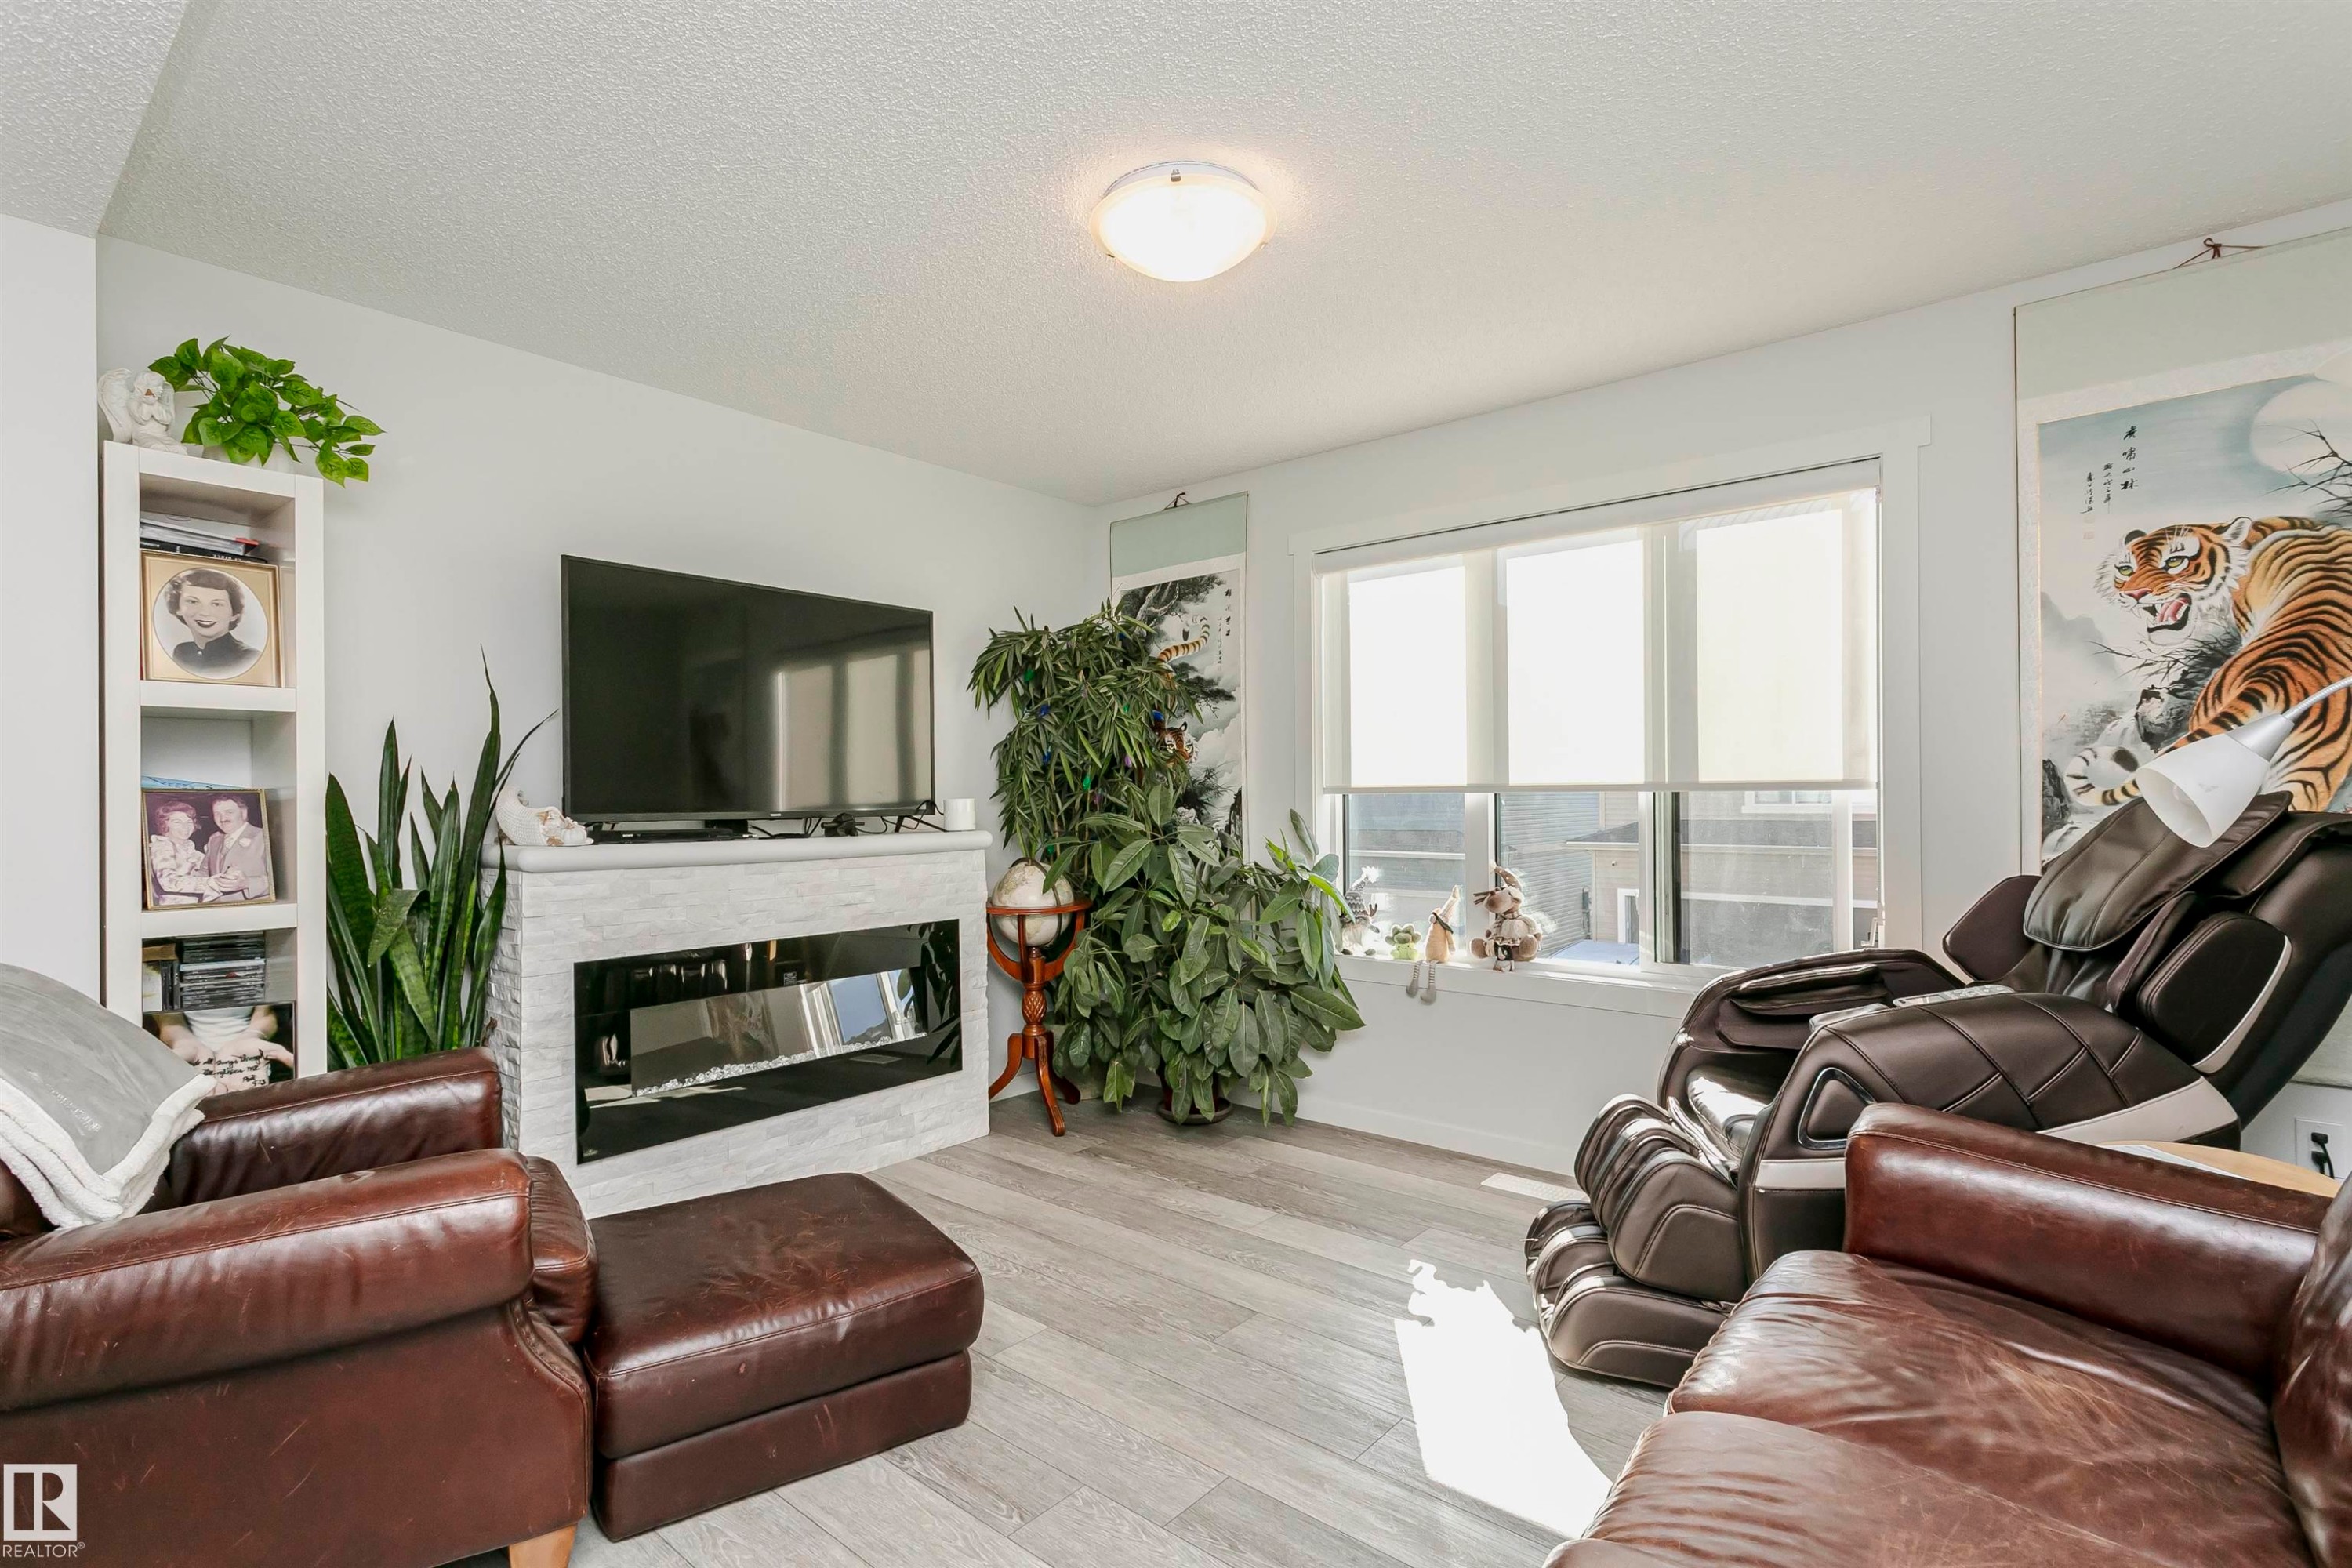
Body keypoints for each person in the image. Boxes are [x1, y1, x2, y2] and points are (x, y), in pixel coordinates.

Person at [165, 568, 260, 677]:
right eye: (193, 602)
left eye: (217, 604)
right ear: (178, 608)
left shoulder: (250, 658)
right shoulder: (182, 652)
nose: (205, 613)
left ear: (234, 614)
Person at [202, 794, 272, 902]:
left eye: (229, 812)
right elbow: (204, 872)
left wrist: (247, 883)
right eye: (217, 814)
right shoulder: (214, 840)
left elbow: (285, 881)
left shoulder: (265, 836)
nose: (223, 818)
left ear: (244, 813)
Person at [146, 799, 209, 906]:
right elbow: (168, 882)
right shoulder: (162, 846)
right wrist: (212, 883)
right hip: (173, 908)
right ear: (164, 824)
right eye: (177, 822)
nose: (185, 826)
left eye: (189, 822)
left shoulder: (191, 851)